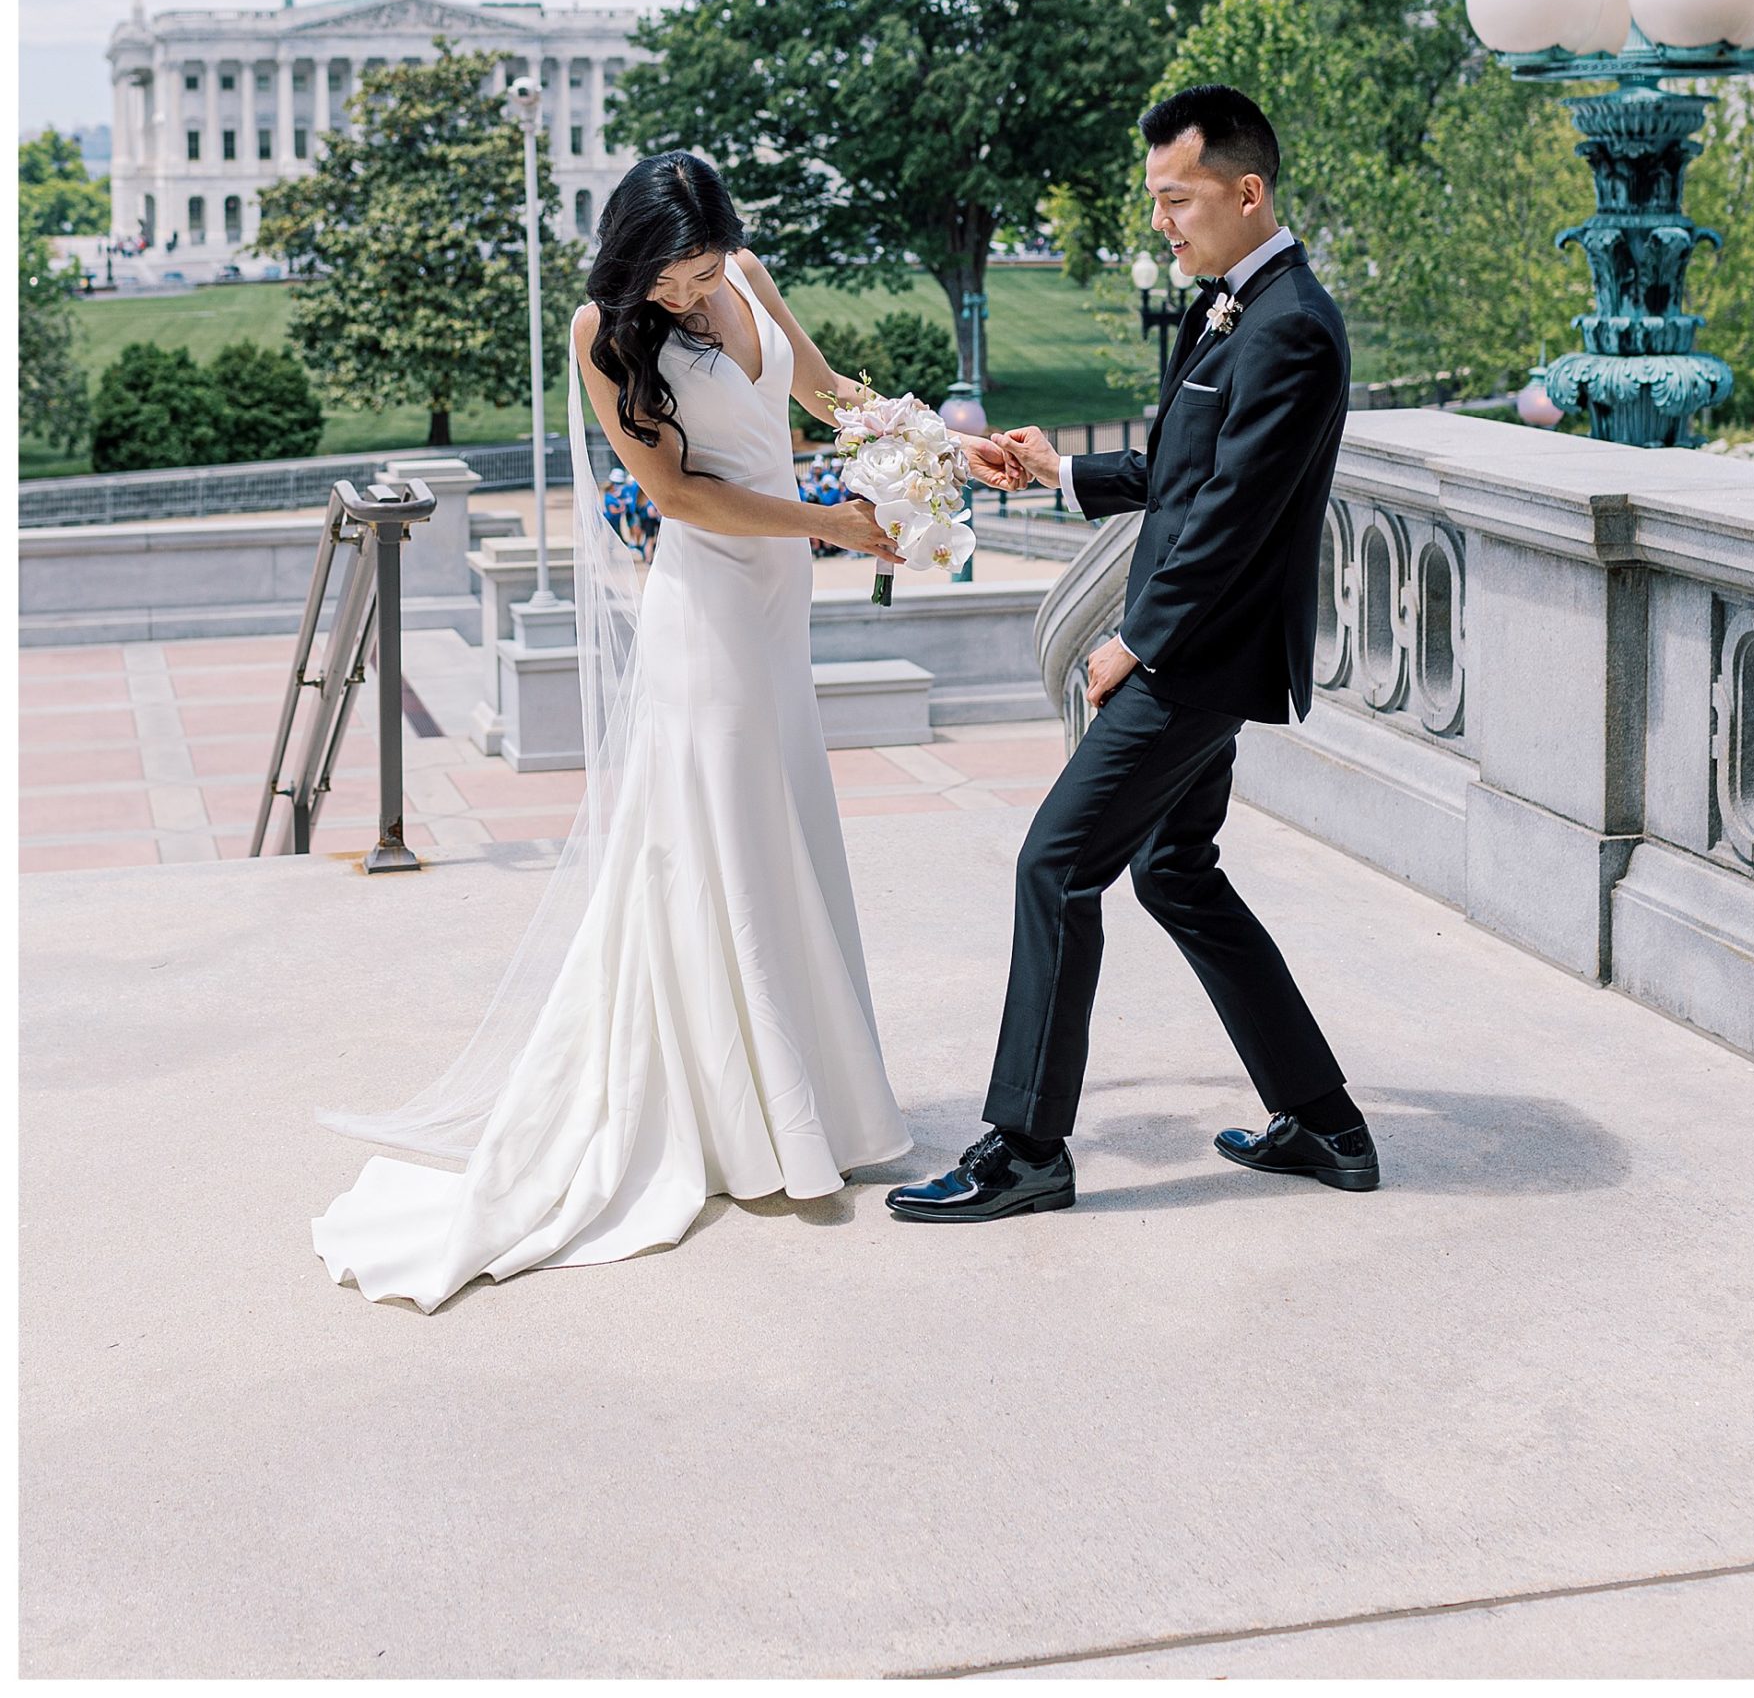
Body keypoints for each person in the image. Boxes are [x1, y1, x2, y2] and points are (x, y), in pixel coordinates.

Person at [311, 150, 1021, 1310]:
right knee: (729, 843)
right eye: (677, 279)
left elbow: (830, 392)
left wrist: (943, 451)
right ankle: (747, 1120)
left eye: (702, 273)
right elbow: (682, 495)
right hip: (708, 610)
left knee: (782, 825)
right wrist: (832, 527)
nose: (692, 296)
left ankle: (813, 1101)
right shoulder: (606, 330)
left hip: (779, 598)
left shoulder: (744, 268)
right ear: (637, 255)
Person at [886, 84, 1377, 1226]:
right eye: (1154, 198)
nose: (1162, 220)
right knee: (1175, 871)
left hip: (1196, 657)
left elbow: (1234, 519)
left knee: (1055, 865)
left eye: (1177, 197)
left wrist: (1135, 641)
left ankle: (1024, 1147)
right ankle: (1326, 1120)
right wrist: (1052, 472)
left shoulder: (1291, 324)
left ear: (1246, 191)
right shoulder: (1237, 309)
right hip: (1194, 648)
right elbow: (1180, 479)